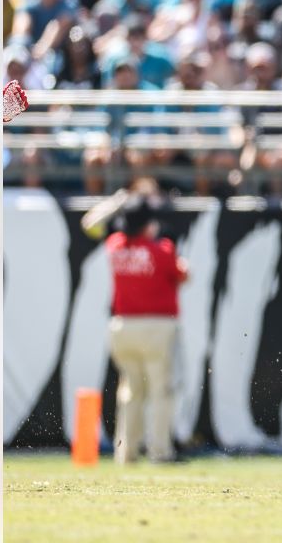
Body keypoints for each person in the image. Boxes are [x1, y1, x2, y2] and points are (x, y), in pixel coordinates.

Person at [106, 195, 189, 464]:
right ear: (148, 223)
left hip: (123, 326)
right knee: (160, 391)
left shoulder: (114, 246)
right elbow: (182, 276)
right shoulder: (162, 250)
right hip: (157, 327)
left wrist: (116, 202)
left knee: (130, 391)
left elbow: (91, 225)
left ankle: (126, 452)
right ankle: (160, 451)